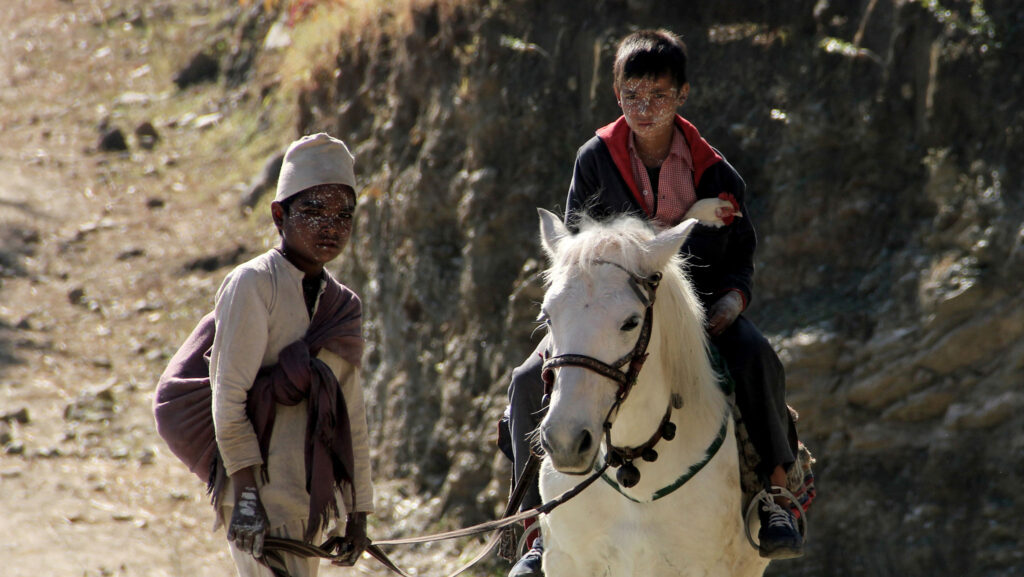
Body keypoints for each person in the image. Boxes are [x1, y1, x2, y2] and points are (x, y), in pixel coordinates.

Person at [505, 29, 802, 576]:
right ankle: (533, 527)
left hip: (700, 315)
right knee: (527, 378)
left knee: (757, 356)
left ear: (682, 96)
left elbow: (740, 260)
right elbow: (576, 248)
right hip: (607, 309)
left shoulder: (717, 172)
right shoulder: (593, 158)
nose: (645, 109)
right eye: (633, 96)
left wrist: (730, 307)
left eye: (658, 96)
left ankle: (775, 497)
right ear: (618, 95)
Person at [191, 133, 373, 576]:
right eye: (313, 212)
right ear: (279, 214)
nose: (330, 226)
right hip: (257, 504)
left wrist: (359, 514)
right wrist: (248, 496)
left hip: (308, 503)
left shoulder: (341, 306)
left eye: (343, 215)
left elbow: (352, 414)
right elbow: (228, 396)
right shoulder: (253, 285)